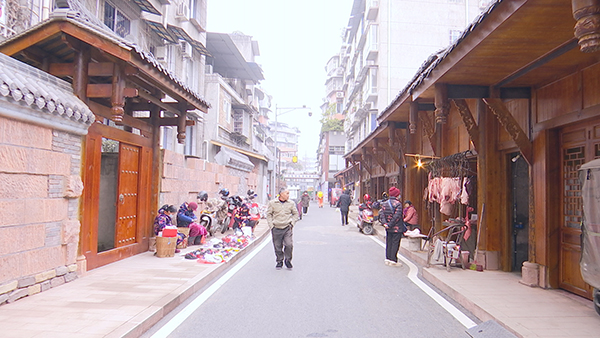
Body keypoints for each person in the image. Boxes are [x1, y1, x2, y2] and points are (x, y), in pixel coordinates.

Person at [266, 187, 299, 269]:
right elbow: (269, 215)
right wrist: (271, 225)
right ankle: (279, 261)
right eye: (287, 193)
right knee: (277, 246)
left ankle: (288, 260)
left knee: (289, 245)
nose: (288, 195)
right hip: (276, 227)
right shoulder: (272, 203)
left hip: (287, 227)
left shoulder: (291, 203)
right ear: (281, 194)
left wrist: (292, 223)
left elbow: (296, 214)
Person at [379, 186, 406, 266]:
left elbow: (381, 214)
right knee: (395, 243)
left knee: (389, 242)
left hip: (387, 227)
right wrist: (390, 224)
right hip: (396, 228)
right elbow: (397, 216)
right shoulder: (398, 204)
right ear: (397, 195)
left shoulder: (385, 203)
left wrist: (385, 224)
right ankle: (393, 260)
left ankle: (387, 258)